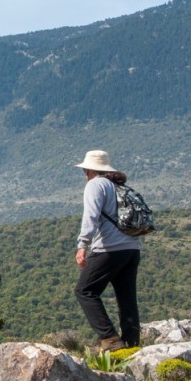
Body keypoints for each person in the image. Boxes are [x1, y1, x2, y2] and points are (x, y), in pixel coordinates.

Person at [73, 150, 142, 351]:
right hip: (132, 247)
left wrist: (82, 244)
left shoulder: (95, 185)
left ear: (89, 169)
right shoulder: (117, 185)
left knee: (85, 291)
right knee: (126, 296)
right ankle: (131, 344)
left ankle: (110, 340)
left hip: (109, 248)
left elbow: (91, 216)